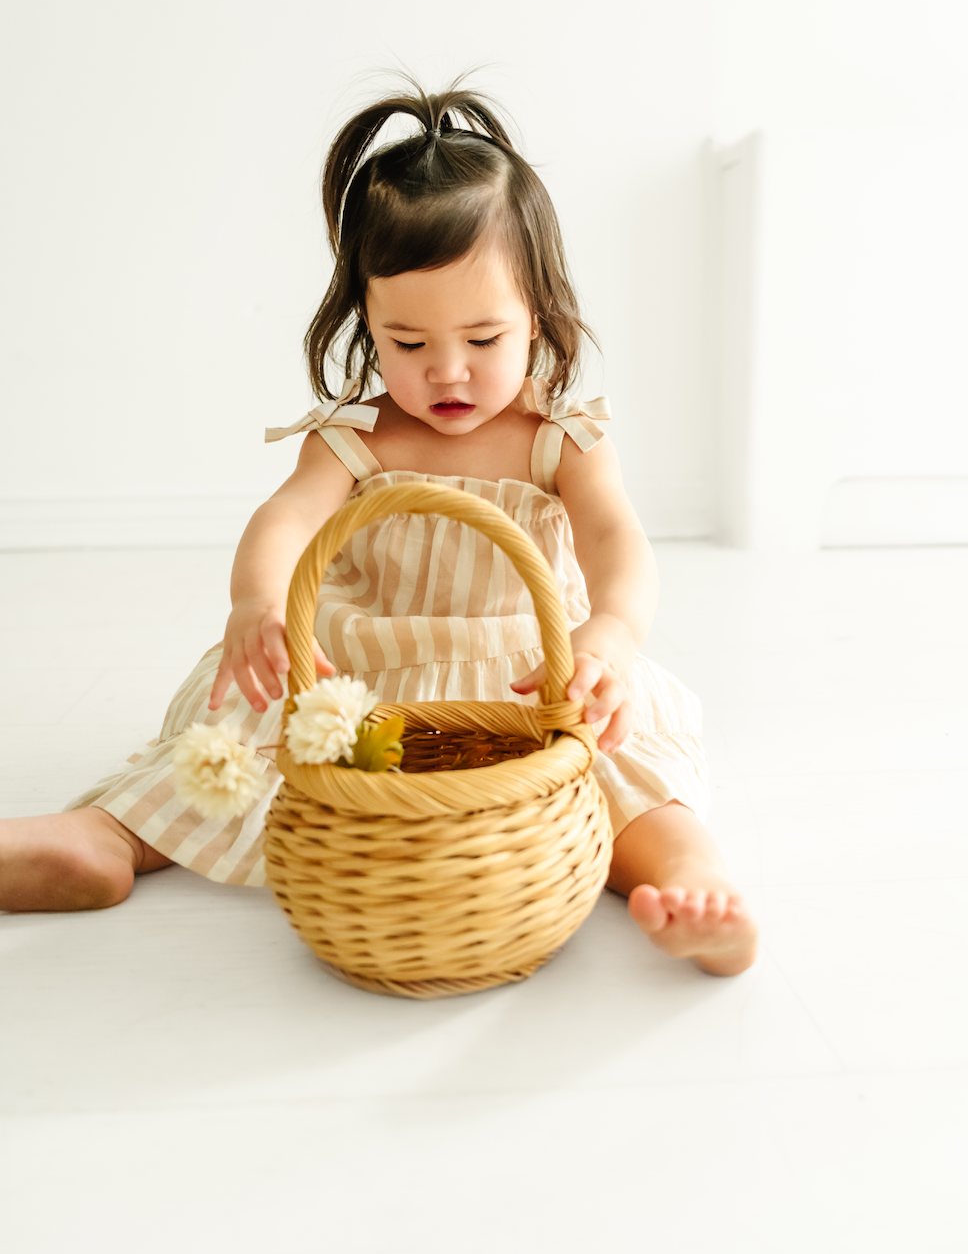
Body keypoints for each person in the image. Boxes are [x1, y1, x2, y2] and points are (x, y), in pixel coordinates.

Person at [0, 83, 757, 977]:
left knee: (610, 765)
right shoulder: (360, 437)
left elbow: (614, 540)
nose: (447, 371)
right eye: (406, 343)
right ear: (365, 321)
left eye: (483, 339)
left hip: (517, 669)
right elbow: (286, 518)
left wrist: (613, 633)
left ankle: (695, 886)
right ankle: (106, 839)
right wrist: (257, 600)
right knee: (241, 747)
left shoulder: (560, 435)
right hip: (358, 670)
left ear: (542, 315)